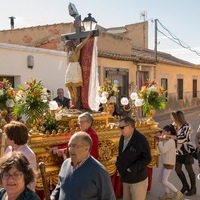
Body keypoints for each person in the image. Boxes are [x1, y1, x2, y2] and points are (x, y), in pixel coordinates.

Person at [50, 131, 116, 200]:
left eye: (75, 146)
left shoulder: (98, 171)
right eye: (70, 145)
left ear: (86, 149)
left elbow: (108, 197)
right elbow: (60, 185)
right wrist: (53, 196)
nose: (71, 149)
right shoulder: (65, 164)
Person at [116, 116, 151, 200]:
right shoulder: (123, 137)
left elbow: (147, 158)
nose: (120, 129)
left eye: (122, 127)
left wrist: (133, 168)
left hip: (137, 180)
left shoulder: (140, 139)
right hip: (126, 178)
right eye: (119, 127)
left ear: (130, 126)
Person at [3, 121, 37, 191]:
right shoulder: (9, 149)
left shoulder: (27, 154)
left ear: (12, 137)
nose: (5, 137)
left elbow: (31, 180)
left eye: (7, 135)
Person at [171, 110, 196, 196]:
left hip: (186, 151)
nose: (173, 119)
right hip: (178, 151)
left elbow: (183, 138)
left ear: (178, 118)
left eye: (174, 117)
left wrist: (170, 136)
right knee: (177, 170)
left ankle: (193, 188)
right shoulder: (175, 125)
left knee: (189, 170)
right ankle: (185, 185)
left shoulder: (186, 126)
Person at [154, 125, 183, 200]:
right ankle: (168, 194)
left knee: (164, 181)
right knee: (161, 179)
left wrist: (159, 142)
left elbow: (163, 151)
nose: (162, 134)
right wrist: (158, 139)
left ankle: (178, 193)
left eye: (164, 132)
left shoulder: (170, 141)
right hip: (166, 163)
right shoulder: (167, 140)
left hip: (169, 163)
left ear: (169, 132)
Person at [64, 31, 93, 104]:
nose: (66, 47)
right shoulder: (69, 51)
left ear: (70, 45)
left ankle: (75, 98)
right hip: (70, 67)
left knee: (73, 83)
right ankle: (72, 96)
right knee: (68, 83)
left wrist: (88, 36)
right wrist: (65, 38)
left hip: (75, 66)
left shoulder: (76, 48)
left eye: (67, 45)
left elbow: (83, 43)